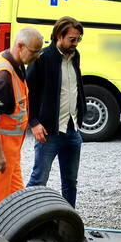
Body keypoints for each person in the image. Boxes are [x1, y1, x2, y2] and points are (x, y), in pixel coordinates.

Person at [0, 27, 44, 225]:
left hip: (10, 151)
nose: (37, 56)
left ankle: (9, 239)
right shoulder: (3, 75)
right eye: (34, 52)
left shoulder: (17, 64)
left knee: (14, 201)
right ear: (20, 46)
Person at [25, 16, 86, 208]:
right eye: (72, 39)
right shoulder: (43, 58)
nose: (75, 43)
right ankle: (26, 220)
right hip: (49, 133)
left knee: (70, 182)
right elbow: (27, 92)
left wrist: (80, 114)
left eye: (78, 39)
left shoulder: (75, 56)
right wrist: (33, 122)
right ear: (59, 36)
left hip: (72, 130)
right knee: (38, 181)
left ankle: (68, 223)